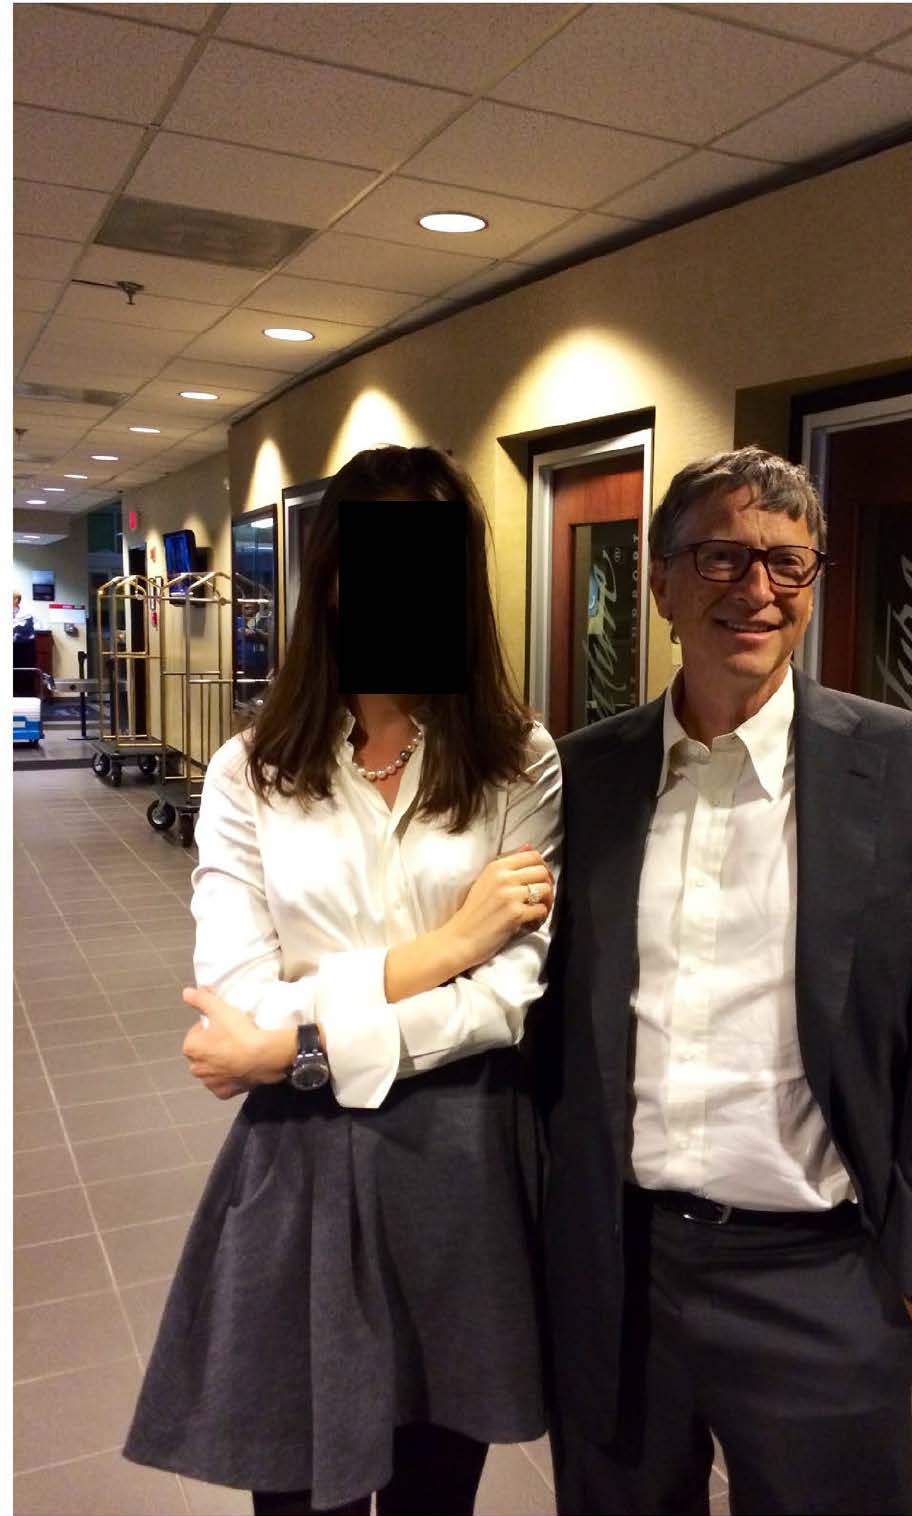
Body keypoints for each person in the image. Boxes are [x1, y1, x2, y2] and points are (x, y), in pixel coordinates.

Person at [531, 447, 912, 1516]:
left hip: (822, 1281)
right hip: (621, 1271)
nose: (758, 589)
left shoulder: (910, 766)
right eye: (722, 557)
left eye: (789, 563)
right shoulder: (584, 774)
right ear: (660, 584)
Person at [124, 446, 562, 1516]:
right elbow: (238, 995)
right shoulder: (251, 769)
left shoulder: (519, 760)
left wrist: (294, 1046)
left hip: (458, 1157)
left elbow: (507, 1000)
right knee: (297, 1489)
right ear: (329, 583)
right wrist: (445, 948)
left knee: (433, 1491)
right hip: (299, 1156)